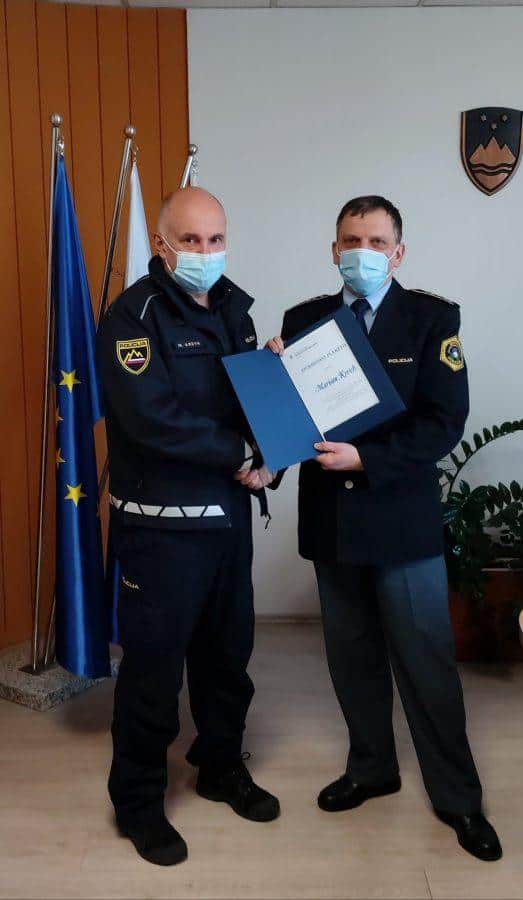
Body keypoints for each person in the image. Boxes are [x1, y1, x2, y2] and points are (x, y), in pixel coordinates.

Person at [266, 195, 502, 862]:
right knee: (353, 661)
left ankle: (458, 798)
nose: (361, 252)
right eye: (350, 240)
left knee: (427, 666)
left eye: (375, 241)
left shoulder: (431, 319)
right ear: (332, 249)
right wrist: (272, 381)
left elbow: (443, 423)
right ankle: (371, 767)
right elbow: (289, 420)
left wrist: (368, 459)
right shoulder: (303, 322)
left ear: (397, 253)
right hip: (333, 523)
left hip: (401, 524)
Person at [97, 187, 278, 867]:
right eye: (191, 240)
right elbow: (151, 420)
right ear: (161, 245)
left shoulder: (235, 310)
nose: (206, 252)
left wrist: (273, 448)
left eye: (215, 239)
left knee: (227, 660)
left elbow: (251, 405)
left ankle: (220, 767)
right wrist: (240, 450)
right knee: (152, 673)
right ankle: (138, 803)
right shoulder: (132, 316)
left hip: (227, 522)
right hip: (162, 531)